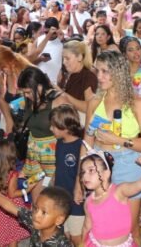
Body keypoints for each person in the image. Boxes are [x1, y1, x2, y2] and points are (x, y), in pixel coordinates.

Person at [84, 50, 141, 246]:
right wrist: (79, 180)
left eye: (105, 71)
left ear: (118, 72)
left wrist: (118, 139)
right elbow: (87, 142)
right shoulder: (94, 102)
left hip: (128, 164)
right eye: (97, 71)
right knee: (101, 226)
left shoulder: (137, 104)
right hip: (98, 164)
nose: (99, 76)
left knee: (131, 229)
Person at [80, 151, 141, 247]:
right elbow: (87, 226)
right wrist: (81, 243)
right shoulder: (89, 201)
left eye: (91, 170)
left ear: (106, 174)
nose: (85, 176)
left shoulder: (119, 192)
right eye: (83, 172)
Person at [0, 176, 75, 247]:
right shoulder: (35, 223)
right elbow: (8, 205)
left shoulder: (61, 244)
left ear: (59, 219)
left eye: (44, 212)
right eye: (35, 208)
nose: (36, 215)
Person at [17, 66, 69, 200]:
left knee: (52, 199)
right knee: (36, 201)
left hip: (53, 157)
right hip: (34, 156)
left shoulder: (58, 101)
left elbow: (69, 133)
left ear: (39, 87)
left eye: (28, 92)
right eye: (24, 92)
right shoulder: (29, 100)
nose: (26, 96)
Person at [0, 138, 32, 246]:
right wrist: (27, 190)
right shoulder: (12, 174)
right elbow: (12, 194)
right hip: (10, 208)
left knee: (0, 236)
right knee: (13, 237)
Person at [50, 104, 86, 245]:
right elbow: (58, 166)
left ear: (65, 128)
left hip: (76, 201)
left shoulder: (80, 146)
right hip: (61, 199)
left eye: (54, 126)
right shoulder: (59, 143)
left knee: (77, 237)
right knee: (65, 234)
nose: (50, 129)